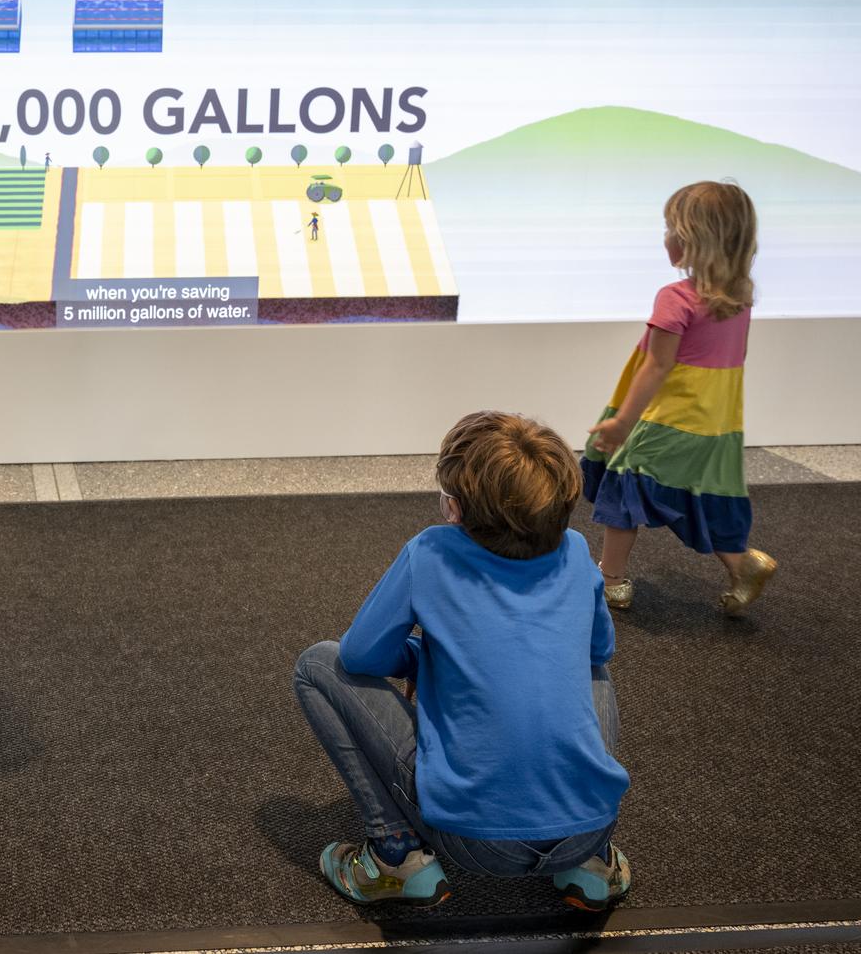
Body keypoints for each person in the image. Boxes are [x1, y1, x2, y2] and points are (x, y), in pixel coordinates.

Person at [294, 412, 631, 911]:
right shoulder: (577, 550)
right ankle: (593, 864)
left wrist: (425, 656)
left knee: (318, 665)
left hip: (476, 845)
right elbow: (600, 650)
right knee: (589, 665)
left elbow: (361, 655)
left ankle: (396, 857)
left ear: (454, 508)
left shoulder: (430, 550)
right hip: (588, 827)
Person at [583, 181, 776, 614]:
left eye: (671, 228)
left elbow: (656, 366)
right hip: (712, 425)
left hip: (670, 419)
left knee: (625, 484)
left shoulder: (675, 299)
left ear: (692, 241)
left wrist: (622, 423)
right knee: (691, 493)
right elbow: (736, 359)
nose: (665, 237)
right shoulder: (739, 298)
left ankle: (610, 579)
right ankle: (743, 563)